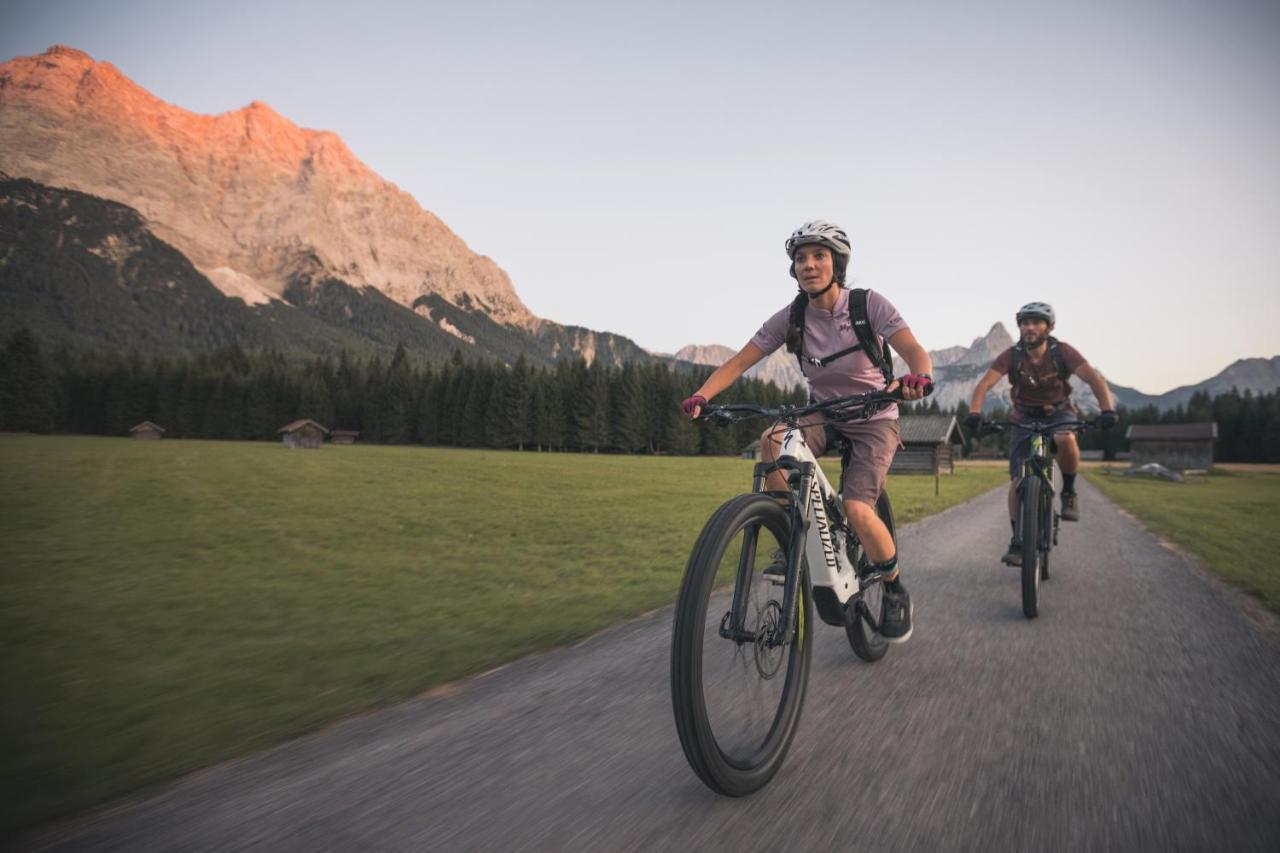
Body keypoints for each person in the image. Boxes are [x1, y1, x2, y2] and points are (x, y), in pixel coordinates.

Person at [680, 220, 934, 642]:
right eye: (801, 259)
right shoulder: (793, 316)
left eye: (819, 256)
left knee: (856, 509)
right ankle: (790, 537)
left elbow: (912, 350)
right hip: (825, 412)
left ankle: (893, 589)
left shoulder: (867, 305)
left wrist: (918, 377)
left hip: (874, 418)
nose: (809, 265)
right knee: (773, 441)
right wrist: (701, 395)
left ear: (837, 263)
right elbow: (742, 360)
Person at [963, 302, 1117, 565]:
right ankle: (1018, 541)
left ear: (1049, 327)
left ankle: (1068, 492)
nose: (1029, 327)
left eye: (1036, 322)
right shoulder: (1012, 356)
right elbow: (985, 384)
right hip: (1023, 415)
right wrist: (975, 413)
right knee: (1017, 480)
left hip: (1059, 412)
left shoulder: (1062, 352)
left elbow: (1093, 378)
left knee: (1066, 438)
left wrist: (1107, 410)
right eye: (1024, 322)